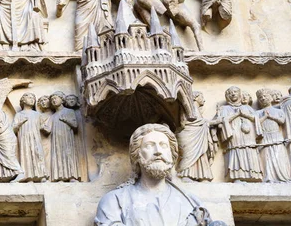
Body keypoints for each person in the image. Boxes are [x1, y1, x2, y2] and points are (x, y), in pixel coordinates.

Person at [95, 123, 225, 226]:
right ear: (137, 155)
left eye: (163, 146)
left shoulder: (192, 203)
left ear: (172, 154)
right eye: (150, 145)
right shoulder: (114, 201)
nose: (158, 152)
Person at [212, 86, 263, 182]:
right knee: (236, 151)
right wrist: (236, 114)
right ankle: (237, 176)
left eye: (235, 92)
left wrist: (245, 114)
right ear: (227, 96)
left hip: (248, 135)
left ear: (240, 94)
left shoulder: (247, 107)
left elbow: (256, 119)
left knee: (249, 150)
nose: (233, 94)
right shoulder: (224, 108)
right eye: (230, 93)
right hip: (234, 134)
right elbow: (220, 120)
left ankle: (252, 175)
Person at [41, 91, 80, 182]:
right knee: (58, 156)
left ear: (62, 100)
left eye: (56, 98)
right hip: (56, 140)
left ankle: (72, 176)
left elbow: (75, 125)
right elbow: (48, 130)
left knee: (69, 155)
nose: (54, 100)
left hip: (67, 138)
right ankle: (60, 177)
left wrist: (66, 120)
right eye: (52, 99)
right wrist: (43, 127)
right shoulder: (53, 116)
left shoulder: (69, 111)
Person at [177, 91, 214, 181]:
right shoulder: (191, 107)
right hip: (189, 134)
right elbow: (197, 122)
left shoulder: (197, 109)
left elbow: (201, 122)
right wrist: (216, 121)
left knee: (200, 154)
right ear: (195, 97)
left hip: (197, 134)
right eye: (201, 97)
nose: (204, 100)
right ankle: (186, 175)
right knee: (190, 155)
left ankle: (201, 175)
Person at [256, 88, 291, 183]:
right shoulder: (257, 113)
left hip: (276, 135)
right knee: (266, 158)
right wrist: (264, 117)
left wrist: (271, 116)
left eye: (265, 96)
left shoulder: (278, 110)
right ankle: (269, 178)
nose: (263, 99)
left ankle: (283, 177)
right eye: (260, 98)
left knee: (279, 155)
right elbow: (255, 124)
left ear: (271, 98)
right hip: (264, 137)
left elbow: (282, 121)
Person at [12, 93, 48, 182]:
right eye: (30, 98)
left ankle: (42, 175)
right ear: (23, 100)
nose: (32, 99)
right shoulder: (19, 115)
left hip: (36, 137)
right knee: (26, 155)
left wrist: (45, 127)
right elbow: (13, 129)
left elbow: (44, 128)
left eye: (33, 98)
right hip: (23, 138)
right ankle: (28, 177)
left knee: (38, 154)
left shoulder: (37, 115)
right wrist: (20, 123)